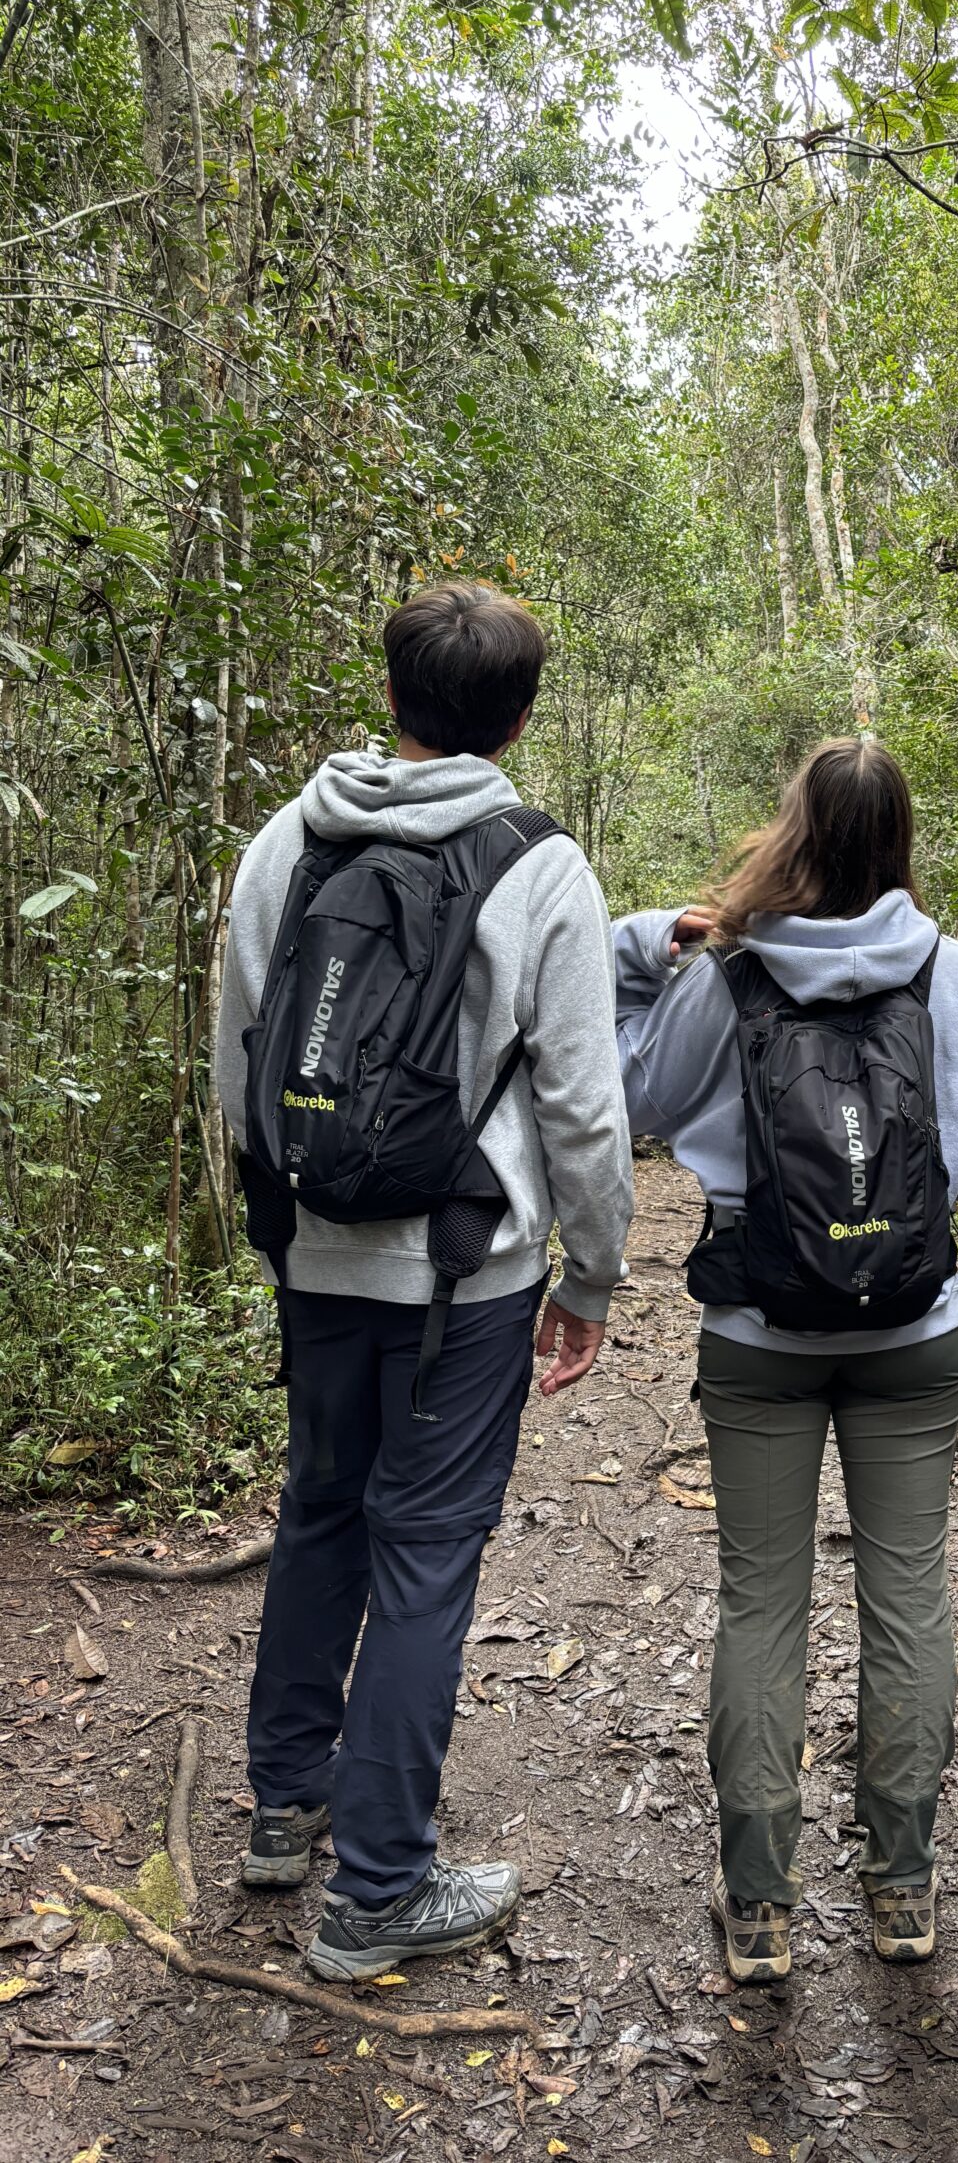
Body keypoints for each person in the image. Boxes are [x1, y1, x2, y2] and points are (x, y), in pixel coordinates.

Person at [214, 581, 633, 1981]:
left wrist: (277, 1218)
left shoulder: (291, 836)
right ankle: (379, 1889)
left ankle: (285, 1807)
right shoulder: (539, 863)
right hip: (467, 1273)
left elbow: (240, 1053)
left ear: (387, 692)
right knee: (427, 1552)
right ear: (516, 717)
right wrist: (595, 1271)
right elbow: (580, 1103)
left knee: (321, 1507)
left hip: (317, 1246)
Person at [613, 739, 958, 1982]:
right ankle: (901, 1888)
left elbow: (637, 1104)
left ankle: (759, 1908)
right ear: (900, 838)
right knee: (908, 1593)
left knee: (761, 1601)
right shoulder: (946, 970)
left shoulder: (727, 970)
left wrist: (654, 966)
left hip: (757, 1332)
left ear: (789, 829)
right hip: (913, 1330)